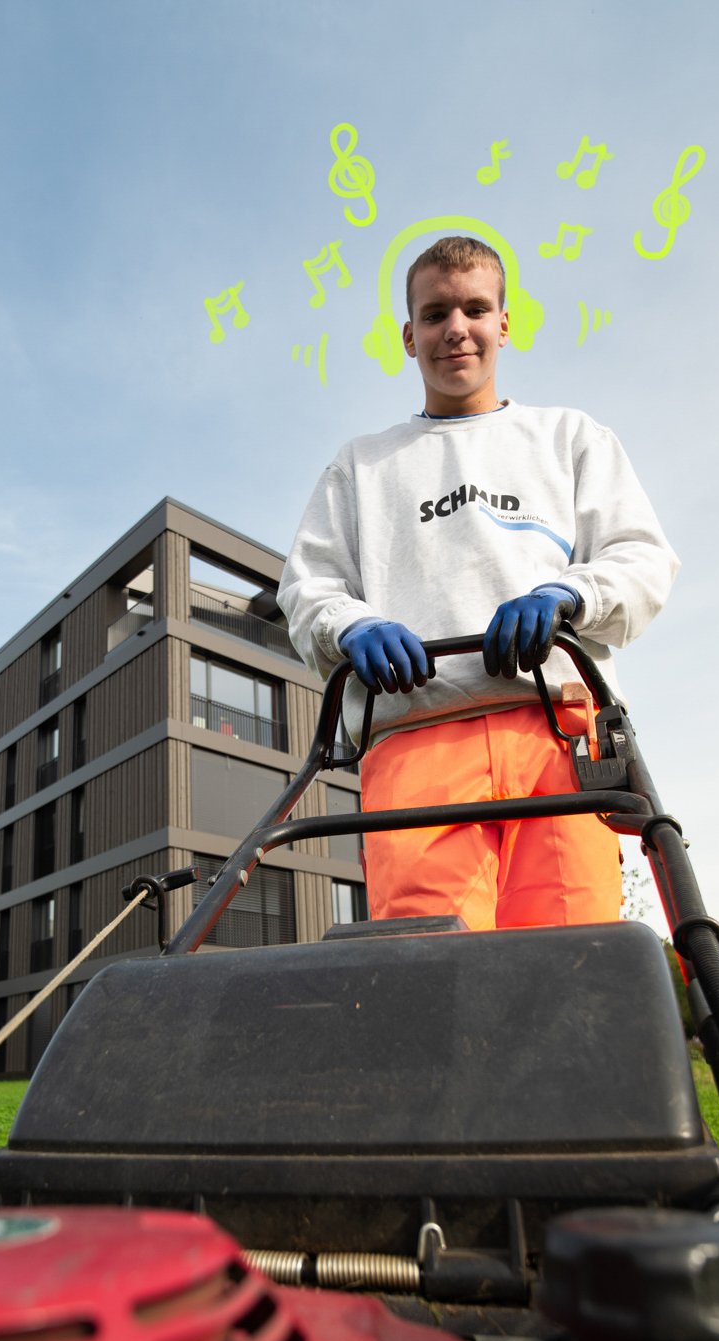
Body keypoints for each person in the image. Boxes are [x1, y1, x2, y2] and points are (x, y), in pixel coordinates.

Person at [277, 234, 679, 930]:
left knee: (572, 962)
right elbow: (308, 587)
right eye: (435, 314)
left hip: (556, 732)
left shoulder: (570, 439)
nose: (455, 328)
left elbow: (639, 558)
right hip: (416, 738)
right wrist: (353, 627)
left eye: (474, 308)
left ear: (505, 323)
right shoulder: (362, 468)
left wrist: (567, 595)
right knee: (434, 971)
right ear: (408, 335)